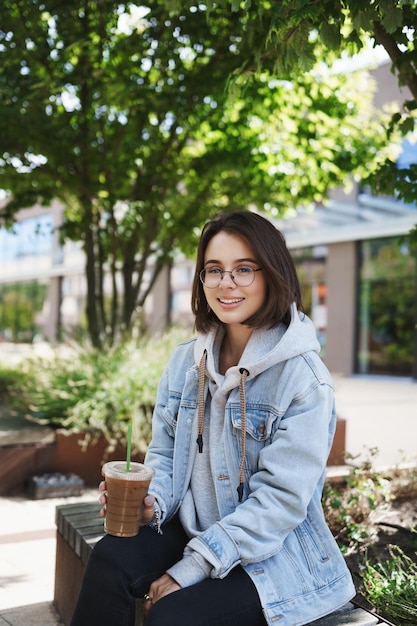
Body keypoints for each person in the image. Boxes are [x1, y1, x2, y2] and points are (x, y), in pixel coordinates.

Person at [70, 210, 355, 626]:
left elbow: (279, 503)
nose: (226, 283)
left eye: (243, 269)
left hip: (271, 554)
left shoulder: (305, 380)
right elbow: (165, 454)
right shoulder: (188, 360)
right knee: (110, 558)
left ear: (272, 274)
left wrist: (191, 568)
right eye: (214, 270)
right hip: (192, 528)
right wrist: (154, 503)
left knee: (172, 616)